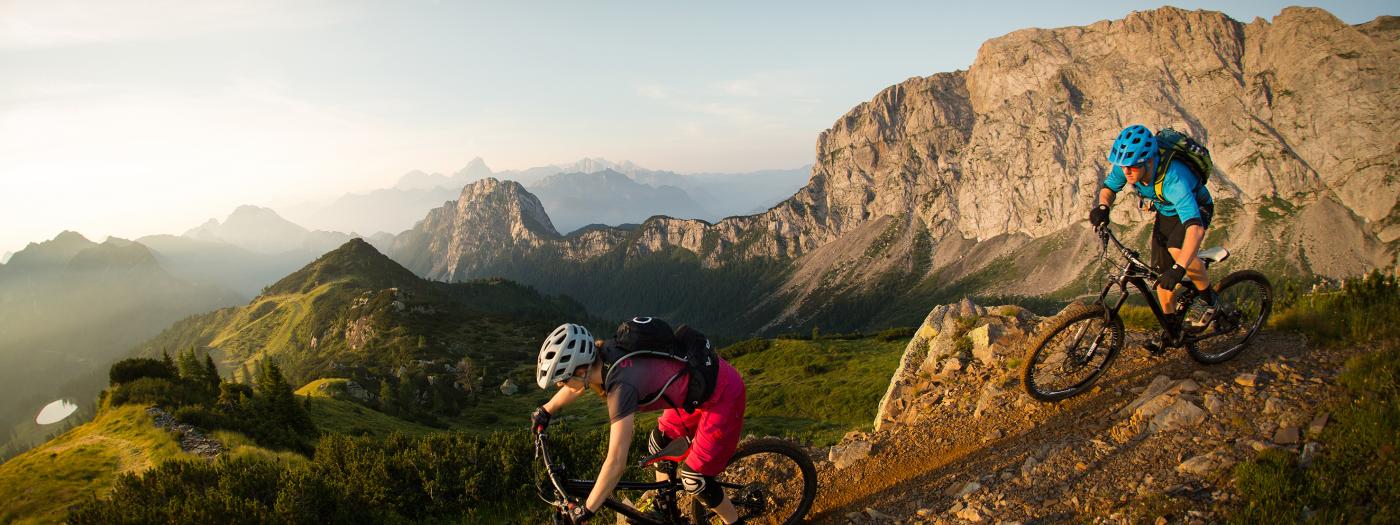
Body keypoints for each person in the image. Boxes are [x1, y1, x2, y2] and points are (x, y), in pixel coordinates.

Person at [530, 320, 748, 524]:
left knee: (695, 479)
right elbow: (575, 386)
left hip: (723, 395)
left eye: (563, 380)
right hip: (692, 393)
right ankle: (667, 512)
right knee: (658, 444)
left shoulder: (621, 387)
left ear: (580, 371)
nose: (561, 386)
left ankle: (734, 521)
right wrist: (546, 411)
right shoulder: (604, 353)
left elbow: (616, 462)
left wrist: (587, 509)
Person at [1090, 124, 1216, 352]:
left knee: (1178, 251)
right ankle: (1171, 329)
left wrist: (1179, 269)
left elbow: (1195, 229)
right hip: (1167, 212)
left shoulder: (1174, 180)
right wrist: (1102, 207)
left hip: (1196, 209)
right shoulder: (1128, 166)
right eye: (1124, 167)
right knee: (1160, 273)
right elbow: (1109, 187)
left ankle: (1209, 301)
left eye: (1133, 167)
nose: (1127, 172)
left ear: (1148, 160)